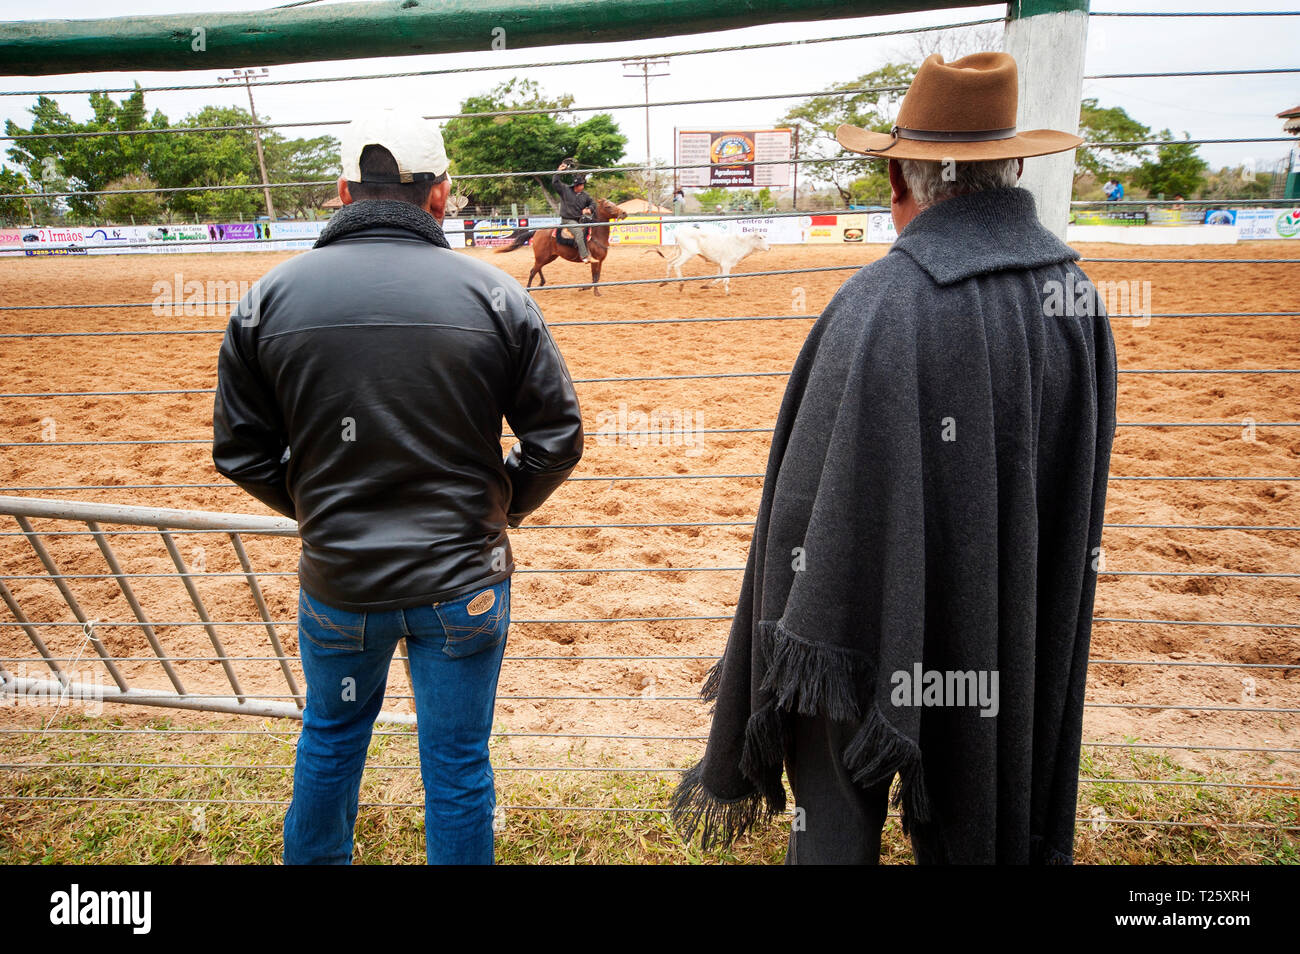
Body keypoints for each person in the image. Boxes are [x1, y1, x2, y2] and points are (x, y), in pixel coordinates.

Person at [673, 51, 1117, 865]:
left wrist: (795, 625)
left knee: (833, 808)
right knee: (980, 784)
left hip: (856, 625)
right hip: (1002, 629)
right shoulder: (1077, 300)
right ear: (1011, 166)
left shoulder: (881, 300)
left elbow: (805, 502)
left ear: (899, 182)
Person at [212, 106, 584, 865]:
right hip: (464, 582)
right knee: (456, 767)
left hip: (341, 580)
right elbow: (557, 442)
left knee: (330, 741)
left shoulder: (266, 300)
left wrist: (321, 508)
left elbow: (241, 453)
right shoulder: (497, 296)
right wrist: (498, 508)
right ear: (441, 194)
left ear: (344, 192)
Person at [552, 159, 597, 262]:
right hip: (567, 220)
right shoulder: (565, 190)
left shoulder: (584, 195)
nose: (583, 186)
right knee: (579, 233)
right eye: (582, 185)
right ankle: (585, 257)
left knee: (594, 228)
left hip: (580, 219)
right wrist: (559, 171)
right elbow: (555, 183)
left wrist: (589, 209)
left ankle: (592, 250)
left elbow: (593, 203)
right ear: (577, 186)